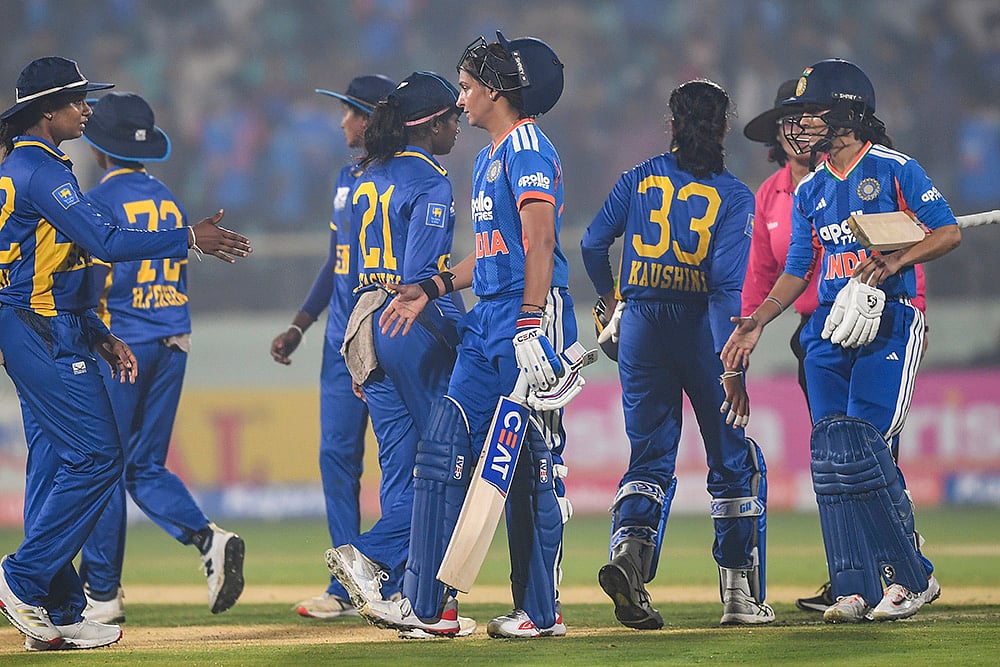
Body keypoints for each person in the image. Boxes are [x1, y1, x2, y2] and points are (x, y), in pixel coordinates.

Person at [0, 56, 251, 652]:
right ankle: (22, 578)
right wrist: (190, 236)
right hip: (36, 327)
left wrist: (98, 332)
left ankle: (61, 611)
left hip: (55, 324)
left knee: (60, 463)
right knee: (99, 458)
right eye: (78, 99)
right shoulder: (41, 170)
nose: (88, 108)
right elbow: (105, 243)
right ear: (47, 109)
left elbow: (70, 264)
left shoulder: (37, 167)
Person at [354, 32, 578, 639]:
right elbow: (491, 252)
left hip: (530, 320)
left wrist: (533, 321)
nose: (461, 98)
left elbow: (540, 243)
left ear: (497, 91)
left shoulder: (528, 148)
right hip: (485, 322)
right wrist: (432, 287)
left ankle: (540, 611)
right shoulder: (487, 157)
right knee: (446, 449)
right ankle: (433, 606)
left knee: (532, 465)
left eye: (467, 87)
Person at [722, 59, 959, 623]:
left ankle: (910, 579)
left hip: (888, 320)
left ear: (849, 114)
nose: (800, 126)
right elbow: (799, 267)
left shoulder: (896, 169)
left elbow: (946, 231)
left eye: (812, 113)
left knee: (867, 453)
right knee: (831, 459)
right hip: (830, 328)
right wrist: (758, 319)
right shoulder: (811, 190)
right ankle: (852, 585)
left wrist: (900, 257)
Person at [581, 79, 774, 629]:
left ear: (672, 124)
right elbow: (723, 288)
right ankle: (738, 597)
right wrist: (730, 366)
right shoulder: (736, 196)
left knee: (648, 460)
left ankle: (629, 559)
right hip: (699, 328)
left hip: (641, 325)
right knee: (732, 459)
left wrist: (609, 300)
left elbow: (593, 244)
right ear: (723, 128)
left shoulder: (638, 178)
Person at [72, 92, 246, 626]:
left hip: (123, 342)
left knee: (103, 467)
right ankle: (208, 538)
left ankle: (101, 593)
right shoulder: (168, 200)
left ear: (100, 149)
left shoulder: (96, 201)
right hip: (174, 336)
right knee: (142, 465)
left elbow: (96, 276)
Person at [322, 71, 468, 639]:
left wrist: (362, 350)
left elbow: (360, 275)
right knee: (446, 471)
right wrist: (463, 337)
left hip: (367, 326)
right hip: (414, 327)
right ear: (430, 124)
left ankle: (403, 600)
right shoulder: (431, 180)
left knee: (400, 471)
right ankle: (373, 557)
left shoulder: (367, 178)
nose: (458, 125)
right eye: (451, 118)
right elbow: (419, 282)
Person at [270, 73, 397, 620]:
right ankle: (346, 585)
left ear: (371, 118)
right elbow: (334, 261)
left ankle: (389, 577)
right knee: (337, 459)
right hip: (338, 343)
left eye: (349, 112)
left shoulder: (403, 176)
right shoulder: (347, 178)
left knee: (398, 464)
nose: (342, 122)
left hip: (389, 340)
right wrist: (300, 323)